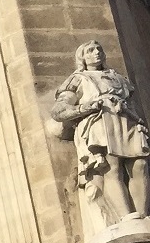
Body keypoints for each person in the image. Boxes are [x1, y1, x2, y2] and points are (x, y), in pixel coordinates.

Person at [53, 40, 150, 226]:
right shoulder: (79, 79)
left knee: (140, 165)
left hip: (126, 120)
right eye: (90, 50)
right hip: (99, 121)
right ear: (82, 57)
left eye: (99, 49)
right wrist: (86, 107)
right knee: (110, 167)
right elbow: (59, 110)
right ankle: (126, 216)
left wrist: (139, 121)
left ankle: (143, 215)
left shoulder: (117, 77)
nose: (96, 53)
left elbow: (130, 102)